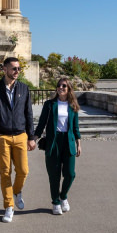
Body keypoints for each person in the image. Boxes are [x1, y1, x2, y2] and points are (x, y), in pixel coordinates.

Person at [0, 57, 36, 223]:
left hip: (21, 135)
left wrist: (32, 137)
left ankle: (17, 191)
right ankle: (9, 206)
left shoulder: (24, 88)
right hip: (1, 136)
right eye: (14, 68)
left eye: (18, 69)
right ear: (5, 69)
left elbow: (28, 114)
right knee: (5, 171)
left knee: (23, 170)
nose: (16, 72)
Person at [34, 77, 81, 216]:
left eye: (64, 86)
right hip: (53, 142)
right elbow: (42, 123)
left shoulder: (73, 105)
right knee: (54, 175)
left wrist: (79, 144)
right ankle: (55, 202)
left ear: (69, 89)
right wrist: (33, 139)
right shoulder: (49, 104)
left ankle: (63, 196)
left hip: (68, 141)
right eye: (59, 85)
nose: (61, 87)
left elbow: (76, 127)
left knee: (70, 174)